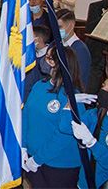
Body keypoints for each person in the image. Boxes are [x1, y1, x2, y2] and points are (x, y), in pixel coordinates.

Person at [22, 47, 86, 188]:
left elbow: (64, 135)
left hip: (59, 164)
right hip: (33, 157)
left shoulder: (73, 97)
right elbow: (26, 114)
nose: (44, 61)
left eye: (48, 58)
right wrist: (23, 146)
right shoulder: (39, 85)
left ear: (58, 64)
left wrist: (38, 159)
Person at [65, 76, 108, 188]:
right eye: (103, 86)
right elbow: (65, 127)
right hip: (84, 182)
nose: (103, 90)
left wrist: (92, 143)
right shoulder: (95, 114)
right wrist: (70, 105)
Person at [57, 9, 92, 87]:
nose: (56, 30)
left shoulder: (80, 50)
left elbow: (78, 80)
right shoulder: (55, 44)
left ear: (71, 25)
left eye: (59, 27)